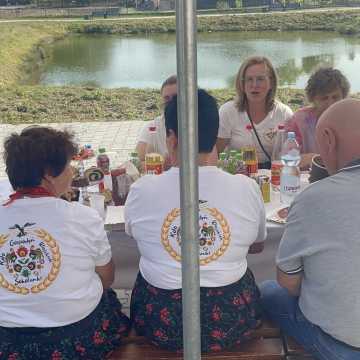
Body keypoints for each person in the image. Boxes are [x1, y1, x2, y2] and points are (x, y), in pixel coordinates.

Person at [125, 89, 266, 352]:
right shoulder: (246, 187)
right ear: (215, 134)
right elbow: (257, 245)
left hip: (160, 320)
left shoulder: (143, 189)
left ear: (172, 137)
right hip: (232, 316)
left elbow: (134, 236)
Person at [0, 127, 130, 359]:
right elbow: (107, 278)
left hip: (7, 343)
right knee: (106, 298)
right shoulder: (83, 216)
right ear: (49, 173)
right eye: (69, 165)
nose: (72, 172)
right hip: (74, 339)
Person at [260, 99, 360, 359]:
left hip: (342, 346)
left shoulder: (315, 197)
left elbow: (289, 283)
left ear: (328, 138)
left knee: (268, 291)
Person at [216, 56, 293, 169]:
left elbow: (290, 155)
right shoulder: (227, 112)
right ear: (242, 84)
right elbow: (215, 154)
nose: (254, 85)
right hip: (237, 174)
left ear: (271, 82)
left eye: (260, 79)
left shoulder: (284, 113)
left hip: (273, 176)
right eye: (249, 79)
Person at [285, 67, 350, 169]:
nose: (331, 103)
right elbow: (288, 158)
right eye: (324, 98)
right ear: (313, 99)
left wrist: (316, 159)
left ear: (343, 96)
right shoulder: (299, 121)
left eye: (335, 97)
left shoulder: (352, 120)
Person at [136, 75, 177, 166]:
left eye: (175, 97)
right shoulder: (152, 127)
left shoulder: (201, 124)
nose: (171, 102)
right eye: (166, 98)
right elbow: (140, 160)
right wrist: (161, 165)